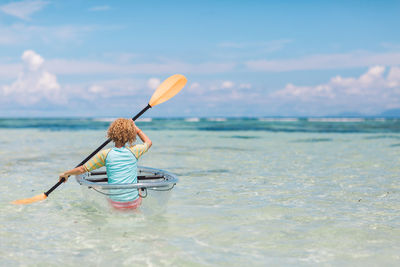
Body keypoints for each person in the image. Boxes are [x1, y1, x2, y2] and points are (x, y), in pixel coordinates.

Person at [59, 118, 152, 210]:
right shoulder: (135, 151)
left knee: (111, 198)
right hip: (133, 202)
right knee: (138, 189)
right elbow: (148, 142)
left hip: (115, 203)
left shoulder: (105, 154)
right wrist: (136, 129)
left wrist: (66, 173)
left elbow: (82, 169)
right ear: (130, 135)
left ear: (111, 133)